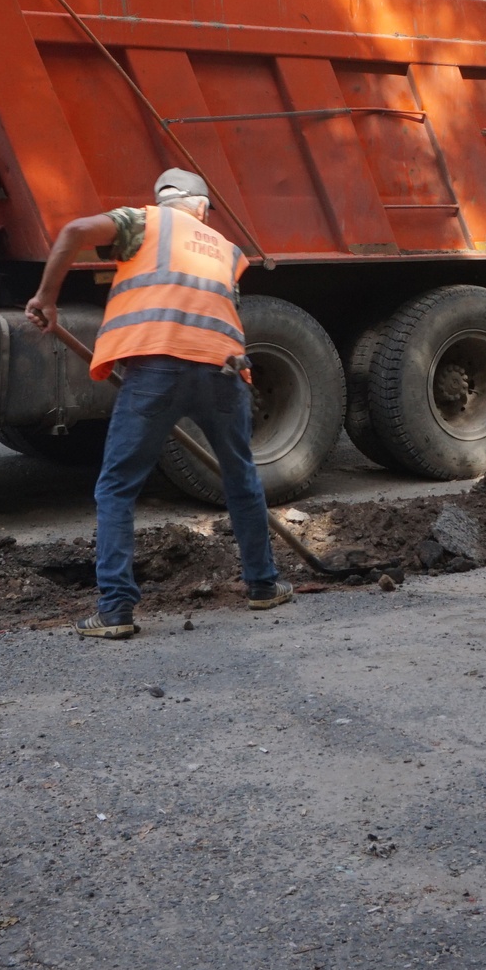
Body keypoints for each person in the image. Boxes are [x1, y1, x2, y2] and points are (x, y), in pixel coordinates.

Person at [25, 168, 290, 639]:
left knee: (117, 487)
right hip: (224, 372)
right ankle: (263, 586)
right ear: (203, 209)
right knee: (240, 477)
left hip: (158, 371)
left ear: (165, 201)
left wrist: (47, 298)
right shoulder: (226, 250)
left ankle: (116, 610)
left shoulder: (144, 222)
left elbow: (74, 232)